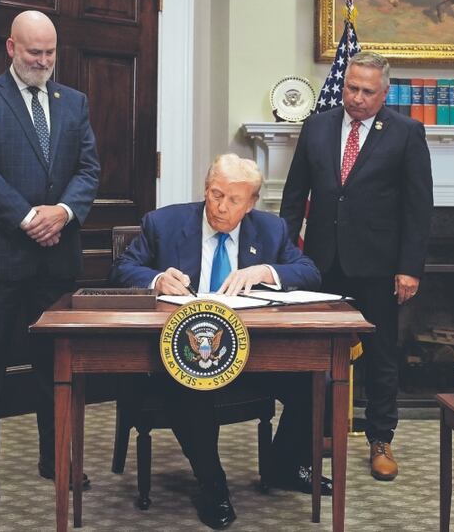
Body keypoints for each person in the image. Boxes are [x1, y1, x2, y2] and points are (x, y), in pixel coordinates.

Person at [112, 154, 328, 530]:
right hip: (184, 354)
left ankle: (284, 464)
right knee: (192, 382)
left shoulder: (271, 230)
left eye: (233, 200)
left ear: (251, 204)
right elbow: (122, 269)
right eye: (215, 195)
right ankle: (212, 485)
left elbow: (309, 272)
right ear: (206, 188)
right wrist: (158, 278)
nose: (221, 207)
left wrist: (267, 270)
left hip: (252, 354)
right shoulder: (164, 223)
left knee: (317, 380)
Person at [0, 10, 100, 505]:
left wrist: (61, 212)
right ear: (11, 48)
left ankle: (54, 457)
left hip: (55, 259)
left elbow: (88, 169)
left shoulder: (74, 102)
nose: (43, 61)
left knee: (53, 367)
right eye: (34, 51)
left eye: (50, 52)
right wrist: (27, 218)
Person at [280, 50, 433, 483]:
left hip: (379, 267)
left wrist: (410, 268)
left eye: (367, 91)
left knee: (381, 357)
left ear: (384, 93)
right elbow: (294, 198)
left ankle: (380, 439)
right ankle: (318, 434)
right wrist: (284, 258)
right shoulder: (317, 125)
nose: (357, 98)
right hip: (320, 264)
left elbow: (418, 208)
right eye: (351, 87)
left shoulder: (405, 133)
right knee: (315, 353)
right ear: (343, 83)